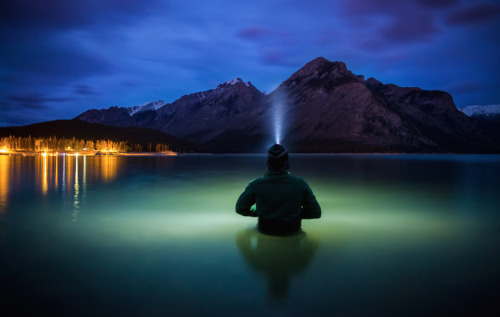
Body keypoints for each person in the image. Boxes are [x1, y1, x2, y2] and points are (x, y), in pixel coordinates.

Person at [235, 144, 321, 235]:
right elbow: (315, 213)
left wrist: (262, 212)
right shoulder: (300, 184)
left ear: (268, 163)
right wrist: (293, 213)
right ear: (286, 163)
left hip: (265, 230)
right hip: (292, 230)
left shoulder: (256, 184)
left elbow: (240, 208)